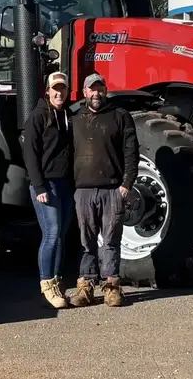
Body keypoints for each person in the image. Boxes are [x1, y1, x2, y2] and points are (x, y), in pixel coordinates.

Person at [69, 73, 140, 308]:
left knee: (110, 240)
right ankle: (85, 286)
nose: (96, 93)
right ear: (84, 93)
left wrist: (126, 184)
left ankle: (111, 287)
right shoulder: (75, 118)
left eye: (100, 89)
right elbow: (65, 154)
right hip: (83, 190)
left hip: (112, 189)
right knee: (85, 241)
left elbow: (131, 152)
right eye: (92, 89)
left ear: (105, 91)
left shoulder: (120, 117)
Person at [21, 71, 76, 309]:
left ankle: (57, 279)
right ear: (47, 90)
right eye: (55, 88)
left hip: (65, 184)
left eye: (62, 88)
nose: (59, 93)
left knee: (62, 234)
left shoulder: (67, 115)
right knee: (51, 234)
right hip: (46, 185)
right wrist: (39, 185)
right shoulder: (38, 116)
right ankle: (46, 283)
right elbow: (30, 154)